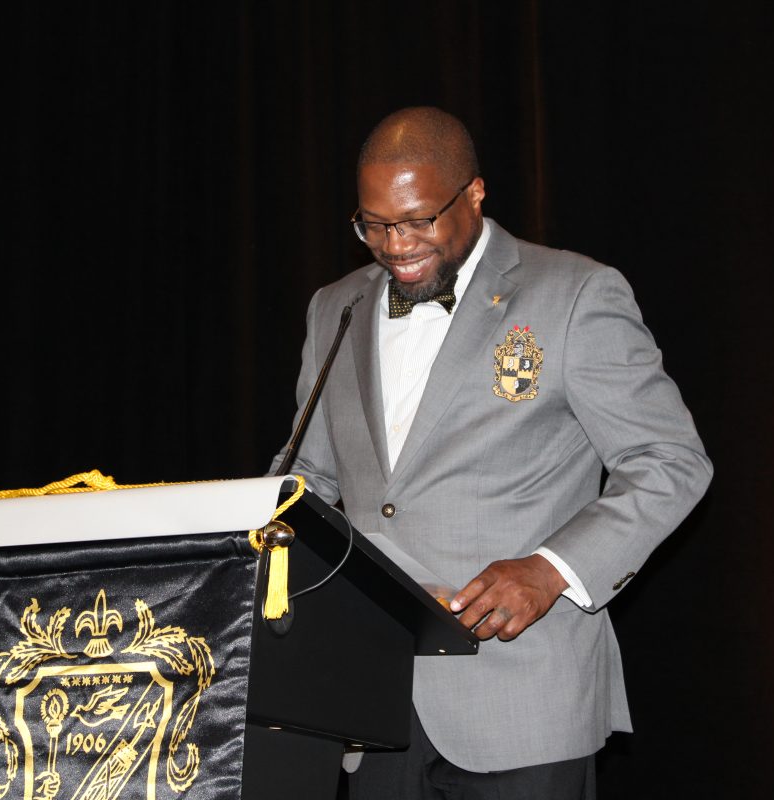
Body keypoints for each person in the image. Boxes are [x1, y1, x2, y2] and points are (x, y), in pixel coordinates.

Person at [272, 107, 712, 800]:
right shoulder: (336, 307)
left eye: (418, 220)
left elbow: (670, 461)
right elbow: (309, 473)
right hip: (373, 698)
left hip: (523, 695)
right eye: (374, 225)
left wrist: (552, 569)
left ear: (474, 193)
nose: (395, 245)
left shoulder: (573, 294)